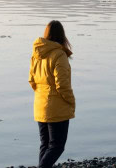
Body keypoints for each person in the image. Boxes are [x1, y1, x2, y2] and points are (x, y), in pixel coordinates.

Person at [29, 20, 75, 168]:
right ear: (62, 35)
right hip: (56, 107)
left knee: (45, 144)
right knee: (56, 146)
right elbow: (62, 85)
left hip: (40, 105)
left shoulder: (37, 54)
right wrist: (70, 101)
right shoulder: (59, 54)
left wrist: (42, 94)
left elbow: (32, 80)